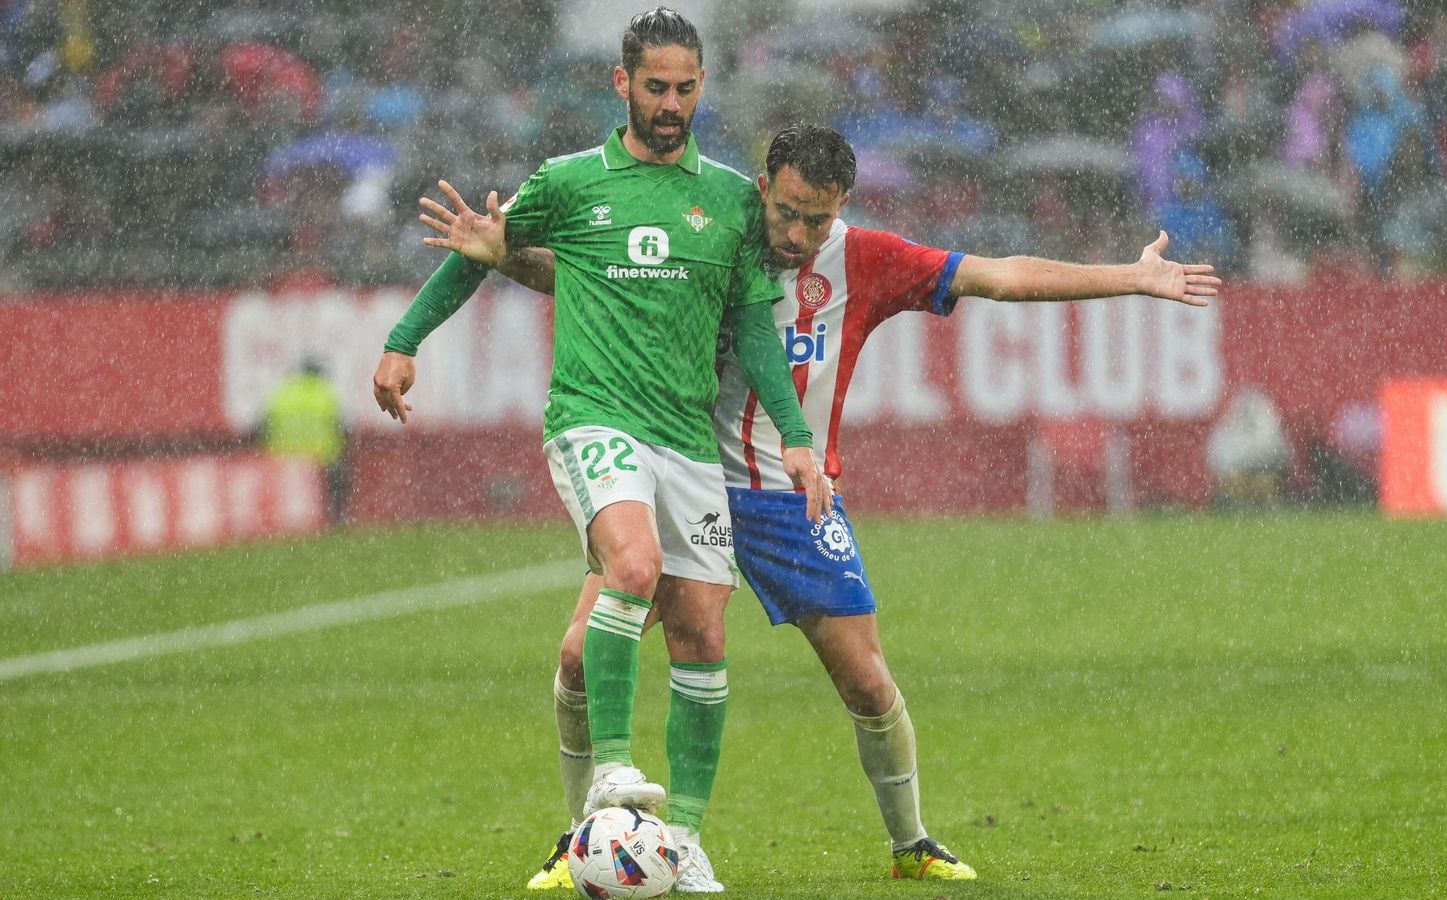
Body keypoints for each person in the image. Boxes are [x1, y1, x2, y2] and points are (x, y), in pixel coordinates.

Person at [493, 125, 1220, 888]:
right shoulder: (712, 220)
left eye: (819, 218)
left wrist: (1129, 278)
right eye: (787, 213)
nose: (800, 235)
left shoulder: (865, 260)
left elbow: (998, 275)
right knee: (580, 654)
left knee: (868, 682)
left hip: (791, 502)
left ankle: (912, 844)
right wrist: (501, 253)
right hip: (682, 478)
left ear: (843, 206)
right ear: (763, 185)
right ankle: (580, 838)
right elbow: (593, 270)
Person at [370, 9, 830, 893]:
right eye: (654, 87)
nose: (670, 104)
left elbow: (751, 326)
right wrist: (405, 339)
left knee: (700, 630)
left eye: (685, 88)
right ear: (621, 84)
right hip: (594, 418)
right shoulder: (572, 182)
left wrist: (799, 441)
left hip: (687, 438)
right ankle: (612, 778)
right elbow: (481, 251)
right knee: (632, 565)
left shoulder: (733, 197)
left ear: (702, 85)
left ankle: (684, 839)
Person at [259, 358, 347, 526]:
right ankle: (334, 521)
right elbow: (340, 429)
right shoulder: (325, 394)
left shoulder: (281, 393)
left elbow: (262, 427)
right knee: (339, 480)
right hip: (320, 460)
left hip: (281, 460)